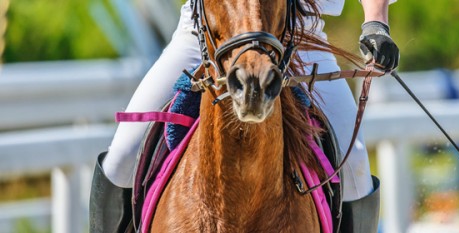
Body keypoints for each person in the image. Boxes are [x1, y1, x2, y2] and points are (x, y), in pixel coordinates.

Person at [89, 0, 399, 232]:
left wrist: (376, 23)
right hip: (210, 30)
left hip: (298, 33)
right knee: (121, 159)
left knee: (355, 166)